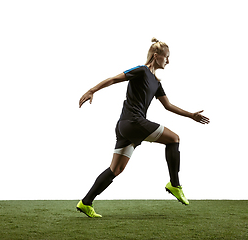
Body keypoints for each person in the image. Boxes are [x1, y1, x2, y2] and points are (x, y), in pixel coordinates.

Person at [77, 38, 209, 218]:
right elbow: (115, 79)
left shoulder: (156, 83)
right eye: (166, 57)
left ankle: (86, 202)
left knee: (115, 170)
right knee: (174, 139)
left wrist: (191, 115)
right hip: (133, 122)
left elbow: (168, 106)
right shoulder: (141, 71)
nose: (168, 61)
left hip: (126, 127)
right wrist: (92, 90)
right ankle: (175, 185)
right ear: (156, 56)